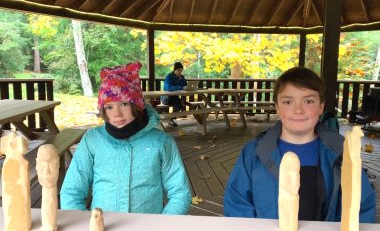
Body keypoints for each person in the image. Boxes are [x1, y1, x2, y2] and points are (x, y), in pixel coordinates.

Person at [224, 67, 376, 222]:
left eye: (308, 101)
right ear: (277, 106)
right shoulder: (253, 153)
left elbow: (360, 207)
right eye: (288, 102)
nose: (298, 110)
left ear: (321, 107)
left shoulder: (342, 153)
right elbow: (237, 204)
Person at [60, 61, 192, 214]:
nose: (117, 113)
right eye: (109, 107)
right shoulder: (93, 140)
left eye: (123, 104)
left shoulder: (161, 142)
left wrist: (162, 225)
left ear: (137, 105)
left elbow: (180, 193)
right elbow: (71, 191)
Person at [162, 62, 188, 126]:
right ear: (175, 69)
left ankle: (171, 119)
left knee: (180, 103)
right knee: (179, 103)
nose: (180, 72)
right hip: (166, 98)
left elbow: (185, 85)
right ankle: (170, 119)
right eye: (179, 70)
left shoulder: (181, 77)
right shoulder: (169, 77)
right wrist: (181, 87)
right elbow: (169, 88)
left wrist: (187, 87)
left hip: (175, 98)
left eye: (181, 70)